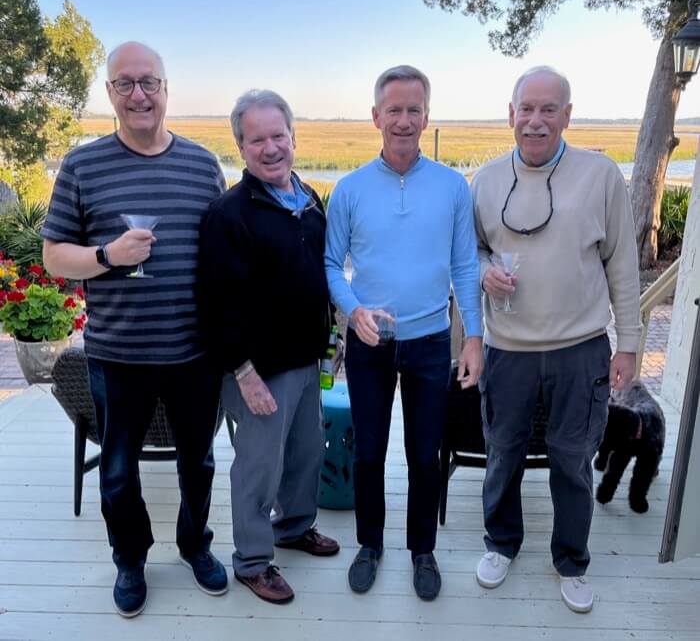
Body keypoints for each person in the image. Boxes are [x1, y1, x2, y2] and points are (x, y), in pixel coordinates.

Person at [42, 42, 228, 618]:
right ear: (110, 95)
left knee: (197, 462)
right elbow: (53, 257)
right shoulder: (83, 165)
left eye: (149, 82)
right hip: (116, 354)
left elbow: (222, 256)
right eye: (125, 84)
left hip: (193, 353)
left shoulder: (202, 165)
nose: (139, 94)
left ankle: (195, 545)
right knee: (119, 470)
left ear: (167, 89)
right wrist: (107, 254)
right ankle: (130, 559)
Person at [470, 65, 642, 614]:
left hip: (581, 349)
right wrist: (482, 273)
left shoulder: (600, 174)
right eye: (527, 108)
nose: (536, 121)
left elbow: (622, 264)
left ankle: (571, 559)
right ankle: (501, 543)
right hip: (508, 350)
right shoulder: (488, 179)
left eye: (549, 110)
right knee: (502, 452)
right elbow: (469, 251)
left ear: (568, 115)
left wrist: (630, 342)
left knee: (573, 458)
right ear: (511, 114)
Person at [324, 65, 483, 601]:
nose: (404, 119)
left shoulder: (452, 187)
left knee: (424, 453)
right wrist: (352, 310)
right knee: (368, 452)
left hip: (431, 341)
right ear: (375, 116)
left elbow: (465, 266)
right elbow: (330, 264)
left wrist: (475, 337)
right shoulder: (349, 189)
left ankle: (422, 550)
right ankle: (369, 544)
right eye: (394, 109)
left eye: (414, 110)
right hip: (371, 344)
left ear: (426, 116)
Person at [198, 89, 340, 605]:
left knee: (306, 453)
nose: (271, 147)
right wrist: (244, 372)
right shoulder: (229, 214)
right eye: (257, 139)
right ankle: (253, 560)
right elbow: (216, 303)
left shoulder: (309, 198)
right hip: (257, 369)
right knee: (259, 466)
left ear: (294, 138)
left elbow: (318, 276)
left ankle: (295, 526)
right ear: (241, 148)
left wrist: (330, 335)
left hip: (306, 359)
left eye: (278, 135)